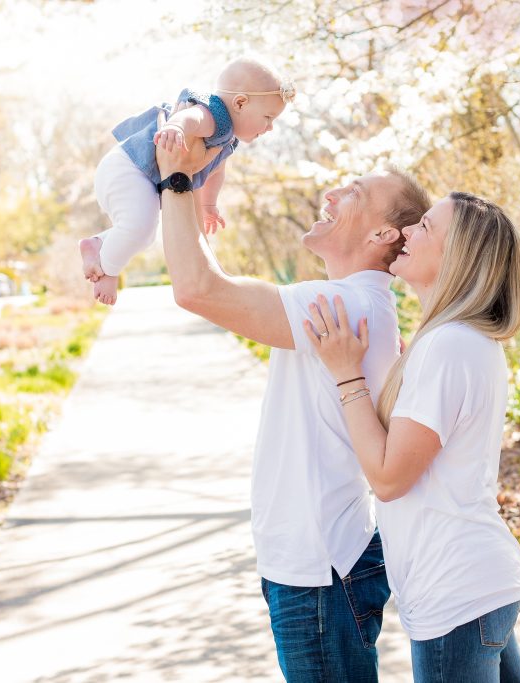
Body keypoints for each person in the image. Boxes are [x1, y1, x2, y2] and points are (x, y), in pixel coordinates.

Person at [153, 131, 432, 681]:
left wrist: (177, 177)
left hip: (320, 571)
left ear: (382, 232)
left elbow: (195, 289)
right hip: (315, 563)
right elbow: (204, 284)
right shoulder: (352, 302)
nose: (331, 193)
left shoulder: (342, 303)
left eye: (353, 191)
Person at [302, 192, 520, 683]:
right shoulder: (457, 340)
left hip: (457, 594)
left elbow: (388, 479)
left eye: (425, 227)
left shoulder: (450, 346)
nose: (408, 232)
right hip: (474, 585)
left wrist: (347, 375)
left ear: (457, 257)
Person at [79, 57, 294, 306]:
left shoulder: (227, 139)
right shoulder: (215, 115)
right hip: (128, 167)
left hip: (133, 175)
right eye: (268, 117)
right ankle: (108, 272)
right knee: (139, 227)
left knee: (145, 233)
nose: (269, 128)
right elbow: (192, 117)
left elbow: (216, 173)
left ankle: (97, 244)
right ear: (240, 103)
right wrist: (178, 127)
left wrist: (209, 206)